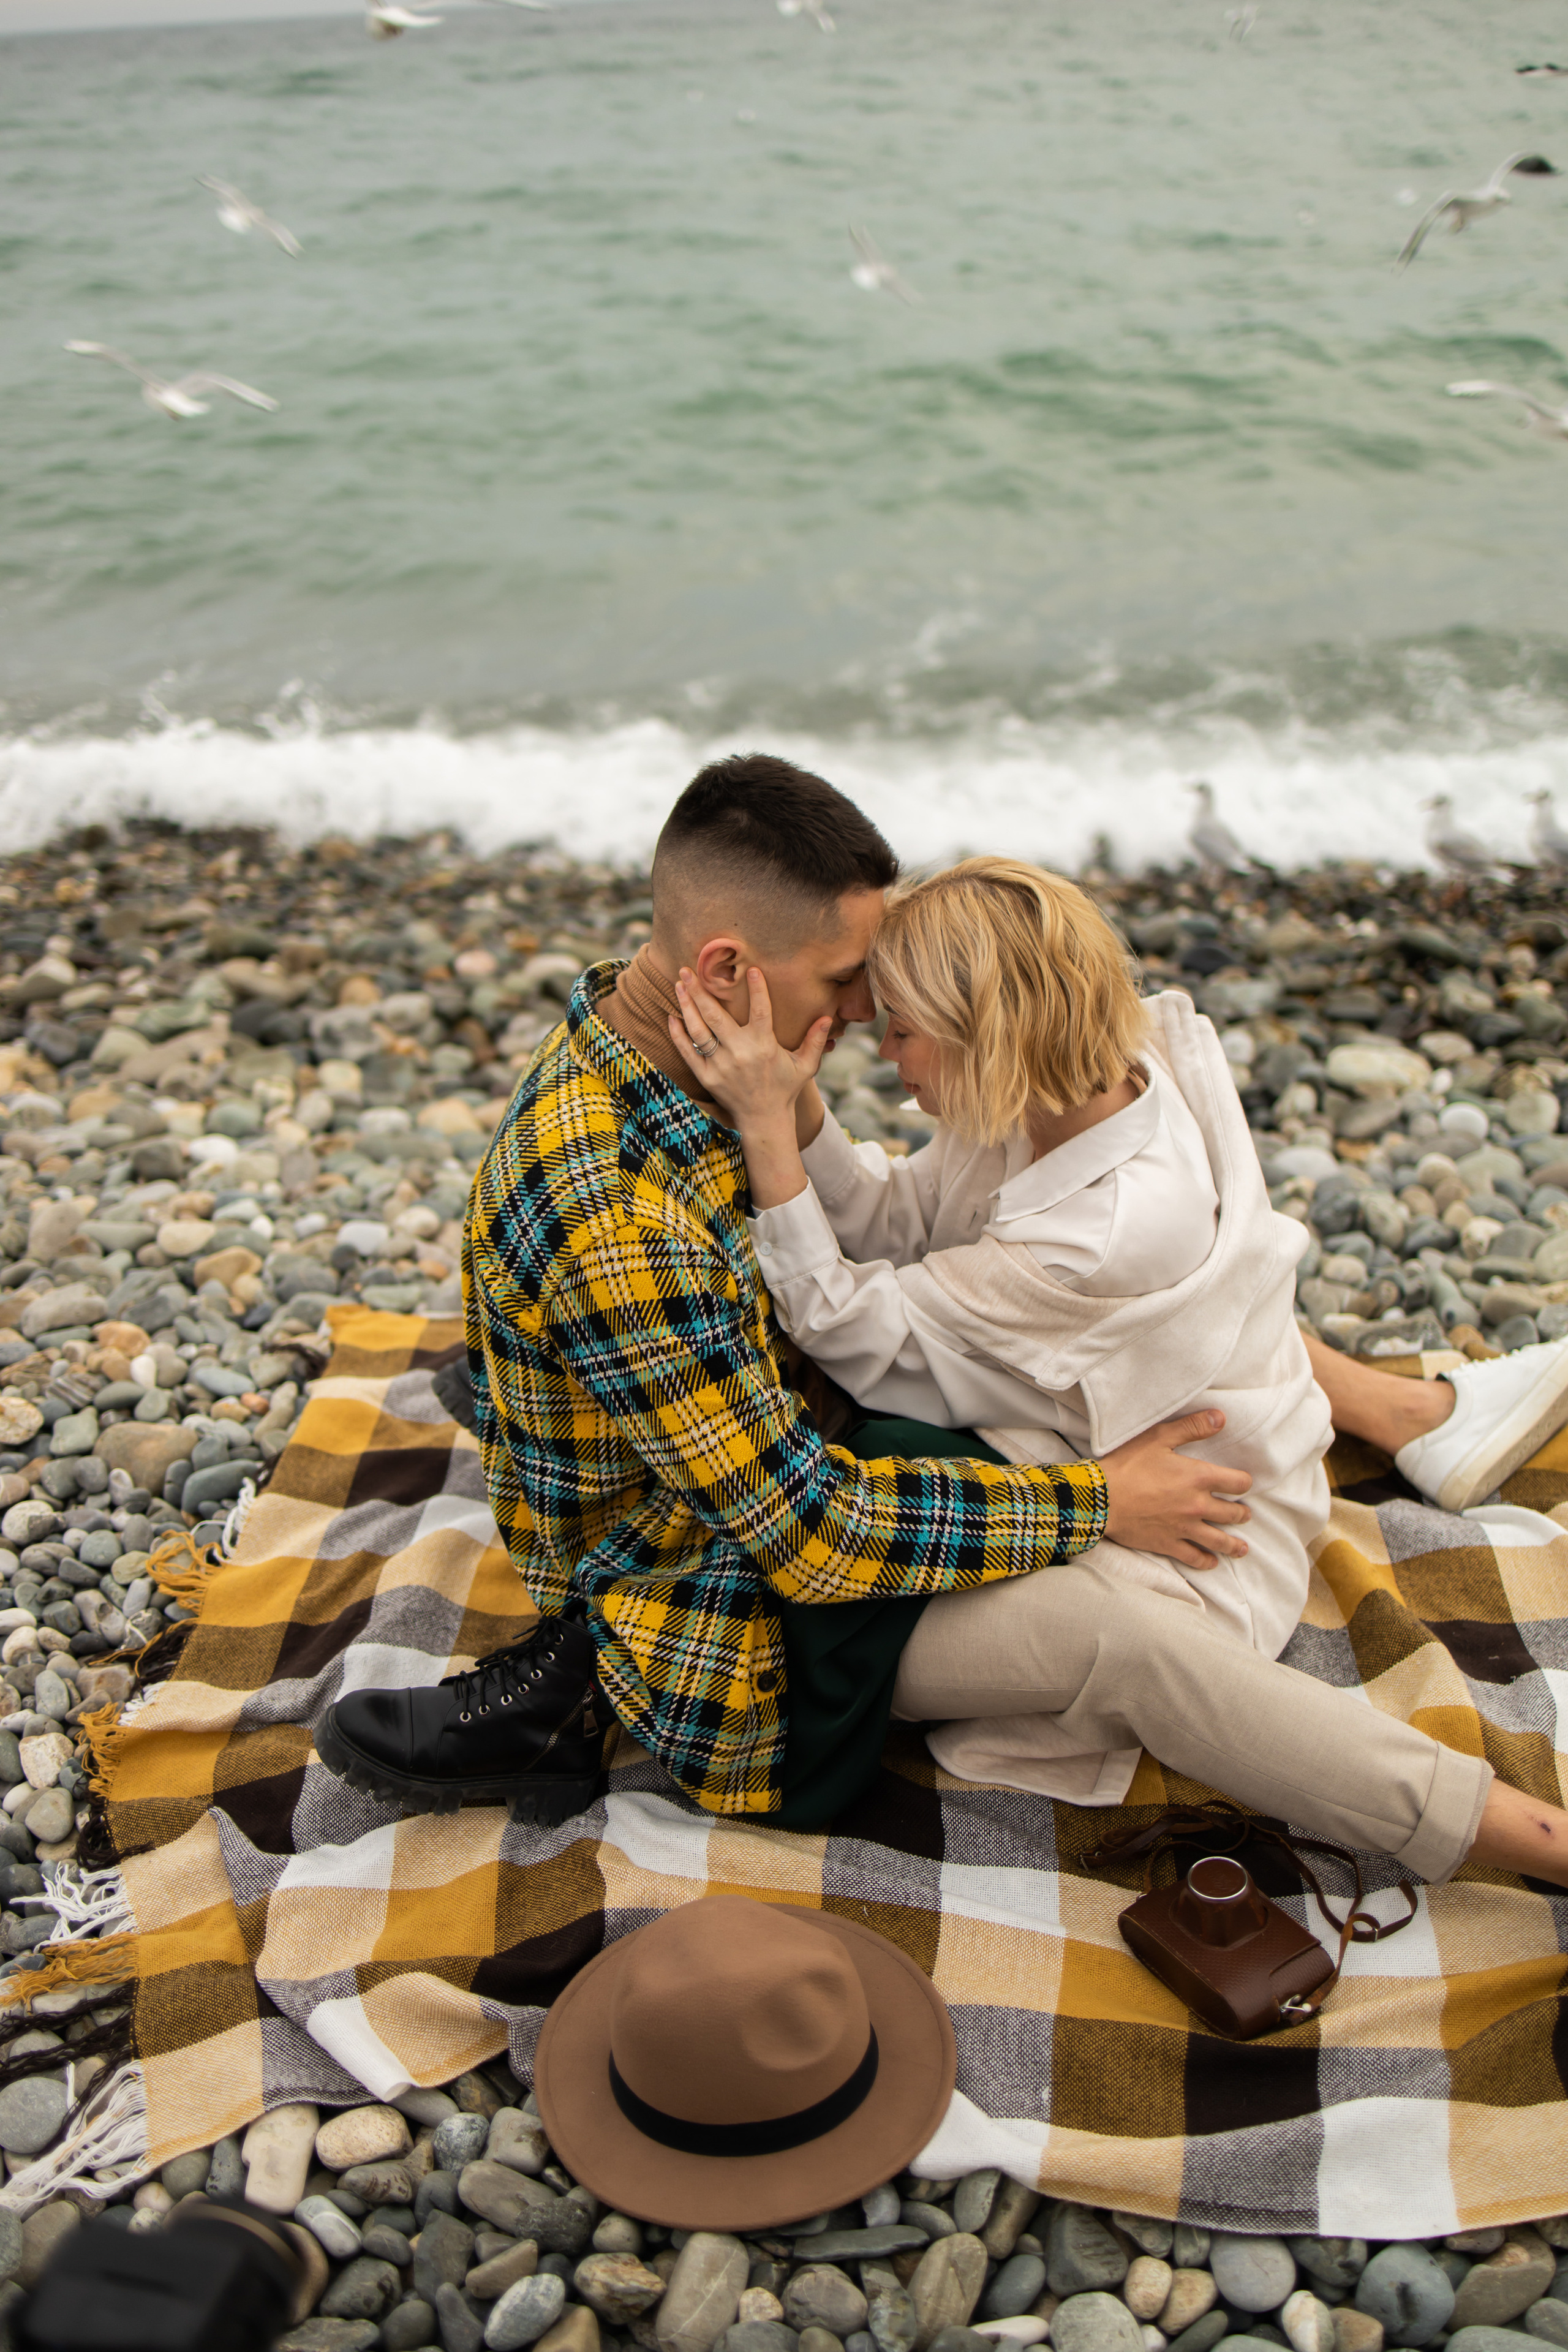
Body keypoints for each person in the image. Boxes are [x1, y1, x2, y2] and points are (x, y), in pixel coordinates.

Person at [320, 753, 1568, 1894]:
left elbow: (884, 1245)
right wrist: (1096, 1502)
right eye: (845, 983)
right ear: (727, 969)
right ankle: (1525, 1839)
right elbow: (812, 1539)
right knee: (1128, 1638)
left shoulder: (673, 1036)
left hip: (800, 1436)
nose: (868, 1016)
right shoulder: (618, 1217)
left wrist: (783, 1125)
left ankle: (557, 1411)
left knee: (1062, 1367)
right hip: (726, 1593)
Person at [664, 854, 1334, 1806]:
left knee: (827, 1564)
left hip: (1194, 1525)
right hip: (1126, 1451)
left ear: (986, 1032)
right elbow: (898, 1219)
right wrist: (792, 1088)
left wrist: (766, 1124)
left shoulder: (1101, 1233)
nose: (884, 1051)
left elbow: (849, 1329)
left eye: (903, 1030)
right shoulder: (1061, 1090)